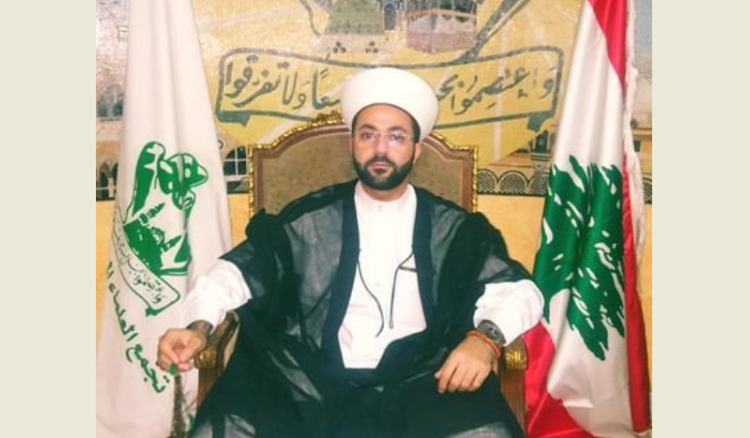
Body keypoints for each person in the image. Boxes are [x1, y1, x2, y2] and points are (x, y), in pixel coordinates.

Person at [157, 67, 544, 438]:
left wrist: (485, 340)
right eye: (368, 135)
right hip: (307, 381)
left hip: (424, 380)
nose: (380, 149)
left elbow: (517, 290)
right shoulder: (309, 218)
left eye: (396, 137)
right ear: (352, 142)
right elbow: (233, 274)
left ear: (417, 150)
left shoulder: (454, 228)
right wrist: (197, 328)